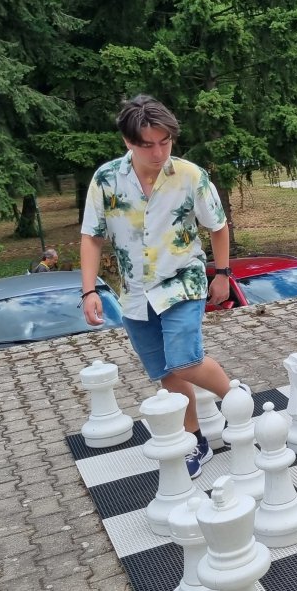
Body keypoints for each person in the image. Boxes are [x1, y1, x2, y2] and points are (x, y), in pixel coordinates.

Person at [80, 95, 241, 477]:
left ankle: (236, 400)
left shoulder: (190, 176)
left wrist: (223, 274)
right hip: (135, 294)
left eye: (165, 142)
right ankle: (195, 439)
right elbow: (91, 236)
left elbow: (218, 226)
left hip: (183, 281)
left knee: (185, 360)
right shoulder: (106, 180)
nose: (158, 152)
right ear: (128, 142)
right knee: (167, 374)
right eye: (147, 144)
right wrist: (88, 291)